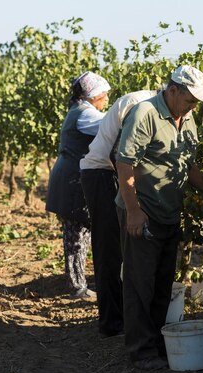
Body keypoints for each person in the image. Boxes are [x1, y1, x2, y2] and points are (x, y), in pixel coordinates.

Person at [115, 65, 203, 370]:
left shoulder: (187, 117)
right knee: (139, 282)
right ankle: (141, 351)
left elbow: (189, 164)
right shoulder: (145, 114)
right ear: (173, 90)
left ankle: (158, 344)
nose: (193, 105)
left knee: (161, 283)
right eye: (189, 99)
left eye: (197, 101)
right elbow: (124, 163)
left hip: (169, 212)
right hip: (142, 210)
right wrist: (134, 211)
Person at [80, 89, 158, 337]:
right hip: (101, 173)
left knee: (121, 249)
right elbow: (120, 155)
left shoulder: (156, 105)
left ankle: (121, 318)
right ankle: (111, 323)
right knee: (109, 249)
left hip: (114, 173)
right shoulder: (141, 106)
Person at [46, 71, 111, 298]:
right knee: (76, 235)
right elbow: (112, 126)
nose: (107, 100)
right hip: (72, 181)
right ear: (93, 96)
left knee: (80, 233)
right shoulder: (86, 115)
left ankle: (79, 283)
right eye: (104, 95)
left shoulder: (80, 110)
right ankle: (77, 288)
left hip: (71, 178)